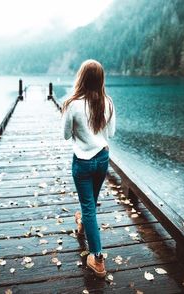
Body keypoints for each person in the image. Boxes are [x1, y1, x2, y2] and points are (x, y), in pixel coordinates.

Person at [62, 59, 116, 278]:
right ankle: (83, 223)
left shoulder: (72, 104)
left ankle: (98, 258)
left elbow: (66, 135)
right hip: (103, 158)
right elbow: (110, 134)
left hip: (83, 162)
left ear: (81, 78)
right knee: (90, 204)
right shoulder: (108, 102)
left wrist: (78, 130)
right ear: (100, 79)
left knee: (89, 206)